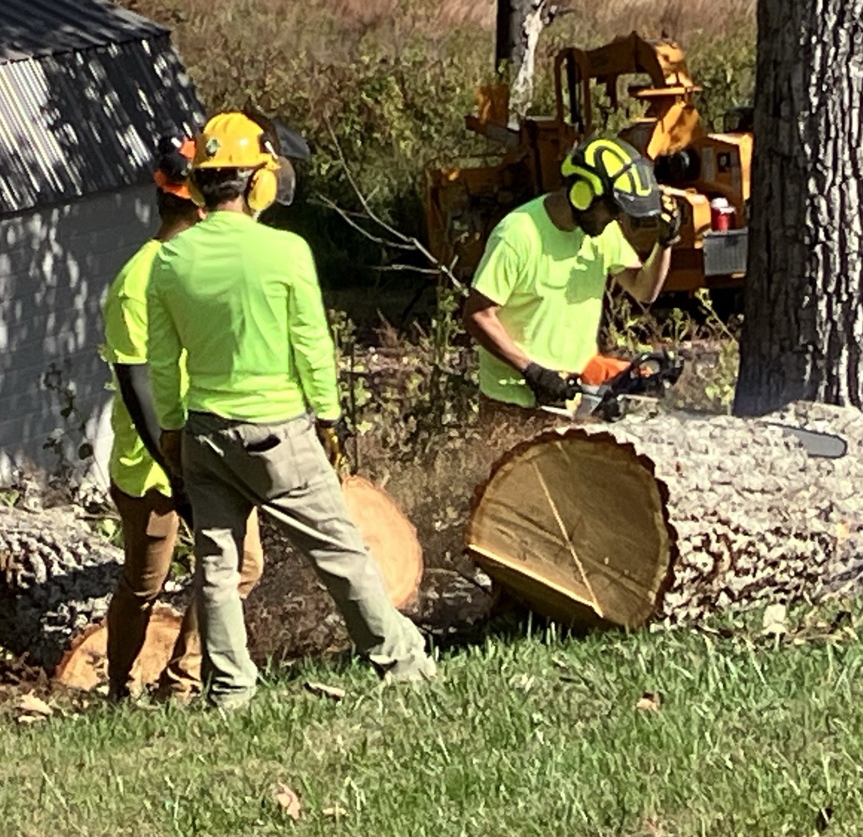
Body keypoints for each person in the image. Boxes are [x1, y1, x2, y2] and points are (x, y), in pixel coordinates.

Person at [146, 111, 435, 710]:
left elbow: (161, 360)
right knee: (341, 553)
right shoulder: (286, 251)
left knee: (217, 569)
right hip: (280, 433)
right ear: (258, 183)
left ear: (199, 184)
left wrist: (174, 432)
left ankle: (228, 688)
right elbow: (312, 344)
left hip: (205, 433)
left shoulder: (169, 262)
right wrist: (327, 420)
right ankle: (401, 663)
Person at [101, 134, 264, 703]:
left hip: (212, 443)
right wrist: (174, 471)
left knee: (240, 565)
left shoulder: (203, 268)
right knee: (145, 584)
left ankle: (183, 680)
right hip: (151, 464)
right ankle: (120, 688)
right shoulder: (135, 283)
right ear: (195, 202)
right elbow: (137, 386)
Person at [462, 136, 681, 412]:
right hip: (513, 403)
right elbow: (477, 314)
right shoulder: (519, 234)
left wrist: (665, 243)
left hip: (574, 398)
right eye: (612, 209)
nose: (615, 219)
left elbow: (643, 290)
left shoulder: (602, 234)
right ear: (583, 193)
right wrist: (532, 371)